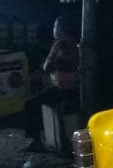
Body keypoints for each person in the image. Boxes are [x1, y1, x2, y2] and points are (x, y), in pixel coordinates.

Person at [23, 17, 81, 149]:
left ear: (61, 29)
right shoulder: (75, 43)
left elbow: (46, 67)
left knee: (30, 104)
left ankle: (36, 141)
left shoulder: (59, 44)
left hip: (64, 89)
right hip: (76, 88)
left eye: (55, 26)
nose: (53, 29)